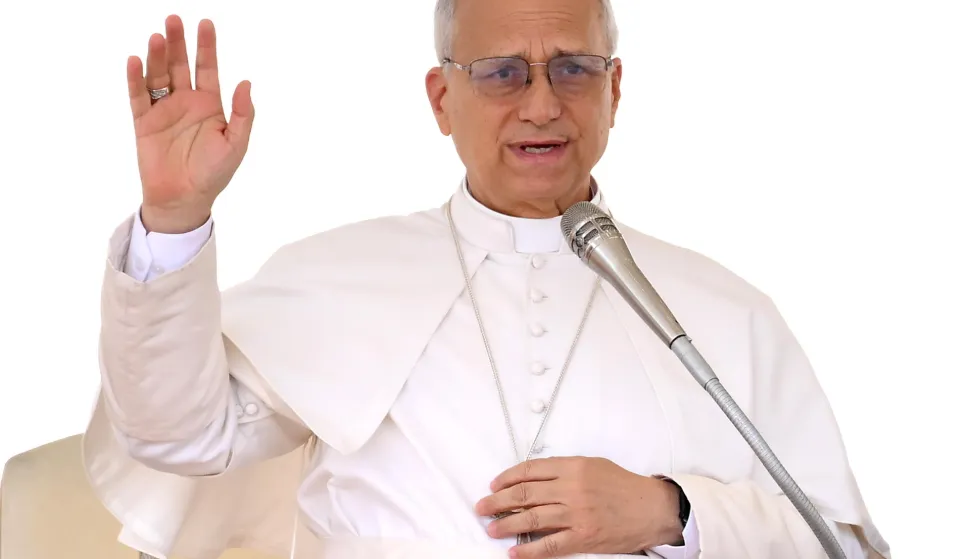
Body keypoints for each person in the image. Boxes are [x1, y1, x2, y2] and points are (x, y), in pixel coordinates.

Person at [82, 1, 891, 558]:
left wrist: (670, 509)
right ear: (442, 98)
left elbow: (843, 544)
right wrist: (175, 215)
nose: (542, 104)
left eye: (573, 69)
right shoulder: (343, 278)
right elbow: (176, 434)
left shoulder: (722, 307)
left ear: (614, 90)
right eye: (503, 73)